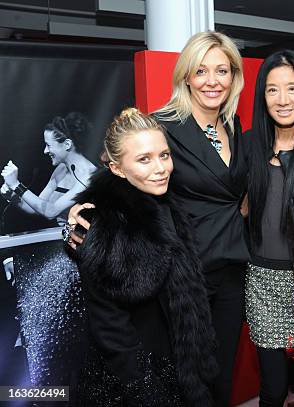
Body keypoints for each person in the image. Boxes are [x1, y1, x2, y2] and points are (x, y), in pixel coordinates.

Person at [67, 31, 248, 406]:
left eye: (222, 70)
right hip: (187, 269)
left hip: (222, 267)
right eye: (201, 71)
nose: (212, 80)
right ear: (186, 76)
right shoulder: (163, 126)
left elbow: (233, 194)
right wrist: (81, 217)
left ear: (234, 76)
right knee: (168, 373)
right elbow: (125, 176)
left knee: (215, 377)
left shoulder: (234, 125)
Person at [73, 108, 217, 406]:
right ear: (116, 168)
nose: (161, 167)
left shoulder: (167, 203)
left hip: (183, 365)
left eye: (164, 155)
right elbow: (110, 326)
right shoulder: (103, 224)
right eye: (144, 159)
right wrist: (146, 388)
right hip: (141, 378)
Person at [244, 49, 294, 406]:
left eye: (292, 89)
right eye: (272, 90)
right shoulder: (247, 146)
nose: (283, 100)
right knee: (274, 387)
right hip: (262, 280)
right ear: (262, 96)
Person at [1, 112, 96, 226]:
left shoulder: (90, 176)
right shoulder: (61, 169)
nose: (45, 151)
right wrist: (12, 196)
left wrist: (16, 185)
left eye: (49, 145)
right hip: (61, 237)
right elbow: (37, 208)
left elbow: (50, 212)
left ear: (67, 144)